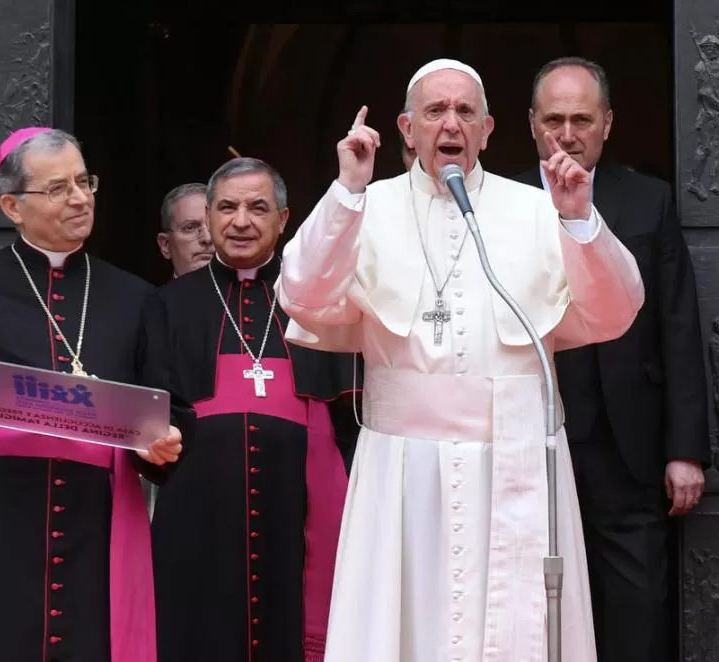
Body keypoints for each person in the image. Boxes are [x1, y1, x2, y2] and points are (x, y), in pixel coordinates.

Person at [275, 58, 645, 662]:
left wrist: (578, 219)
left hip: (517, 458)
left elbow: (615, 312)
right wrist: (346, 191)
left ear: (489, 129)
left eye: (465, 111)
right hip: (403, 474)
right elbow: (302, 293)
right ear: (407, 127)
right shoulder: (367, 207)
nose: (451, 123)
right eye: (435, 111)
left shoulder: (535, 208)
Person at [0, 127, 190, 662]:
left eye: (84, 181)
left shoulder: (136, 297)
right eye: (57, 188)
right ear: (12, 205)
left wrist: (162, 446)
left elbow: (170, 410)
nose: (79, 198)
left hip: (99, 519)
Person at [515, 56, 709, 662]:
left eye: (581, 119)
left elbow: (678, 325)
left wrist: (686, 450)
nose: (566, 134)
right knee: (537, 608)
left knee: (636, 611)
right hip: (535, 438)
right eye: (553, 120)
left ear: (608, 124)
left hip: (631, 444)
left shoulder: (649, 201)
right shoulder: (505, 204)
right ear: (530, 125)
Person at [142, 156, 361, 662]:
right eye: (228, 207)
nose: (241, 221)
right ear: (212, 214)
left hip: (296, 523)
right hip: (197, 524)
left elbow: (350, 423)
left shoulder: (316, 303)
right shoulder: (167, 305)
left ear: (283, 221)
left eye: (258, 207)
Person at [156, 182, 214, 278]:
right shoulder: (155, 293)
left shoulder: (243, 292)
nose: (207, 239)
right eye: (190, 228)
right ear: (165, 245)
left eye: (213, 226)